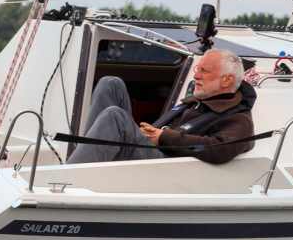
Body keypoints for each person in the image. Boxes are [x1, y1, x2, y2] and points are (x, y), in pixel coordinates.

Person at [67, 49, 256, 165]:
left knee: (115, 116)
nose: (196, 76)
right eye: (197, 69)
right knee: (111, 84)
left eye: (204, 71)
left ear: (227, 80)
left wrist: (164, 137)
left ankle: (69, 177)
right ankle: (83, 163)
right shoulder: (201, 101)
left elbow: (219, 149)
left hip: (165, 165)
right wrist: (152, 133)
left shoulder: (239, 118)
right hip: (155, 148)